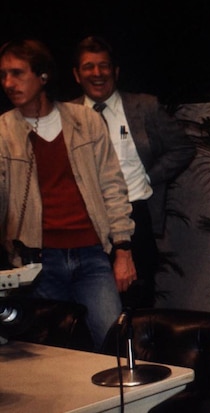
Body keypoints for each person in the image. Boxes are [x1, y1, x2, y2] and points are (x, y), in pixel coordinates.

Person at [0, 39, 135, 349]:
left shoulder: (85, 121)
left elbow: (112, 186)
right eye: (4, 74)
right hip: (38, 261)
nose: (8, 83)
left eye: (18, 73)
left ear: (43, 76)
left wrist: (123, 251)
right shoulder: (5, 132)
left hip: (91, 254)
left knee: (112, 344)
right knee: (52, 355)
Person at [71, 36, 196, 308]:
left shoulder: (144, 107)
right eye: (88, 67)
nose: (97, 73)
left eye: (103, 66)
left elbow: (182, 148)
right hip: (84, 223)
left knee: (137, 305)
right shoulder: (67, 117)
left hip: (135, 216)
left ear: (115, 71)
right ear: (76, 75)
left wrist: (149, 177)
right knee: (86, 305)